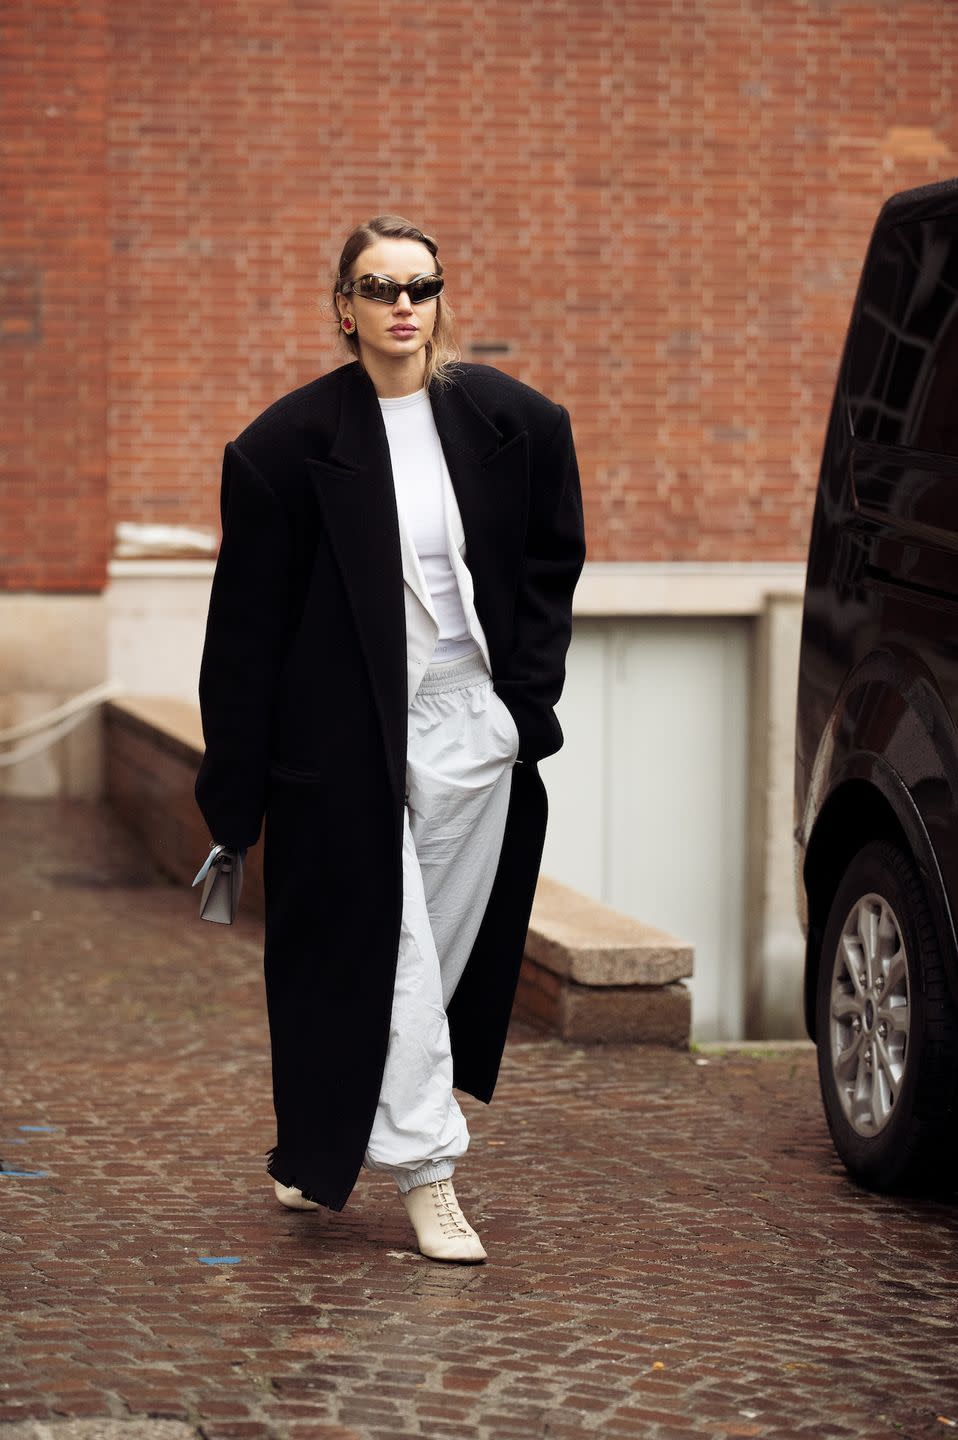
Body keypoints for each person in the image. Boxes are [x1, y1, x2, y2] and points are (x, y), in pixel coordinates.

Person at [194, 215, 585, 1264]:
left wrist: (523, 709)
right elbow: (243, 639)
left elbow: (552, 565)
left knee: (433, 959)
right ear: (344, 307)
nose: (401, 305)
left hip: (471, 724)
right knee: (395, 952)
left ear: (439, 298)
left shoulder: (515, 420)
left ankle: (316, 1144)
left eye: (419, 285)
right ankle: (428, 1175)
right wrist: (233, 802)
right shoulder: (283, 448)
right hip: (344, 742)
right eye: (378, 288)